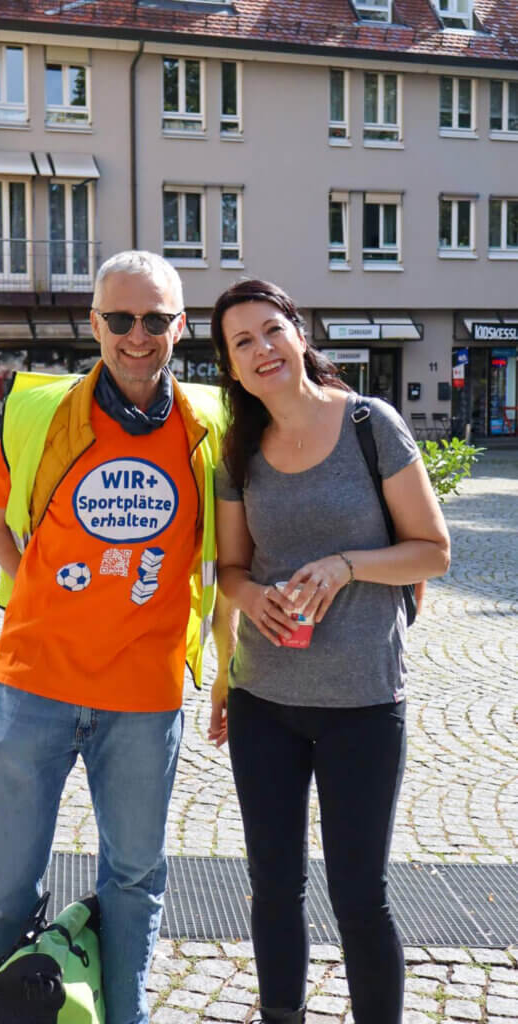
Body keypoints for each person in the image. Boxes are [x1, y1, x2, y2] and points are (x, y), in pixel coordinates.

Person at [0, 250, 230, 1024]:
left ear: (181, 326)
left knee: (134, 883)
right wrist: (37, 587)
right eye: (120, 318)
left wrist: (229, 667)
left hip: (144, 698)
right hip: (34, 687)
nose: (137, 335)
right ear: (94, 324)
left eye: (154, 319)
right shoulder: (44, 414)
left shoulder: (209, 426)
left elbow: (231, 553)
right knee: (6, 892)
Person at [207, 279, 450, 1024]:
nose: (262, 348)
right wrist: (253, 598)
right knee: (274, 887)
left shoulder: (370, 425)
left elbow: (433, 550)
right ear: (231, 365)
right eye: (242, 341)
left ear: (298, 333)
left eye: (271, 329)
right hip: (265, 703)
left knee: (359, 894)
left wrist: (347, 565)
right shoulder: (238, 451)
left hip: (364, 702)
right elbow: (230, 570)